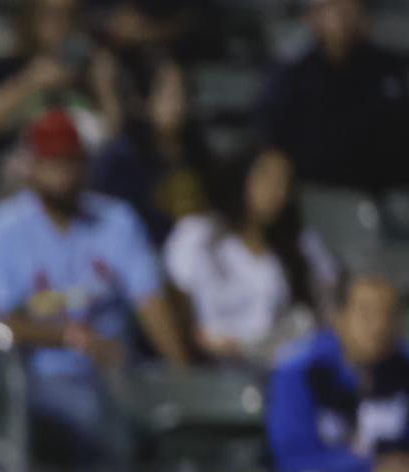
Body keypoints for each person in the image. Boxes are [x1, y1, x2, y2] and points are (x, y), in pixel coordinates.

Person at [0, 109, 190, 471]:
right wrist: (70, 337)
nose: (63, 172)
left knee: (170, 416)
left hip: (118, 371)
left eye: (70, 161)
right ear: (33, 166)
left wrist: (182, 375)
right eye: (52, 162)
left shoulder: (115, 220)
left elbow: (149, 300)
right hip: (38, 376)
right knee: (97, 417)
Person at [165, 147, 336, 367]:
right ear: (241, 176)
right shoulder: (196, 235)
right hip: (211, 367)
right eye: (265, 177)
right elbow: (175, 309)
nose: (275, 189)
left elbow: (327, 310)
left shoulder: (302, 244)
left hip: (278, 365)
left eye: (283, 181)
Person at [257, 0, 409, 195]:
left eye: (354, 10)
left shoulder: (388, 68)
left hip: (379, 189)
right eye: (337, 10)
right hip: (308, 188)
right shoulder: (293, 70)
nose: (346, 19)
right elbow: (269, 132)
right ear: (314, 17)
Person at [267, 273, 409, 472]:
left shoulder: (404, 367)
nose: (379, 326)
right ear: (339, 317)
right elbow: (292, 460)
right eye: (366, 314)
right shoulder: (300, 370)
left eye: (389, 315)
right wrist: (370, 470)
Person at [0, 0, 115, 177]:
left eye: (72, 15)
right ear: (30, 19)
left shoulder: (92, 71)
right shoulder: (0, 69)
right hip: (12, 182)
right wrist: (29, 82)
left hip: (83, 179)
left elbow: (112, 141)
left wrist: (104, 88)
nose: (63, 25)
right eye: (52, 15)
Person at [89, 60, 216, 244]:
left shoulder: (200, 155)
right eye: (169, 94)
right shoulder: (120, 159)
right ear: (144, 101)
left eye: (184, 93)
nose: (178, 103)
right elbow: (107, 221)